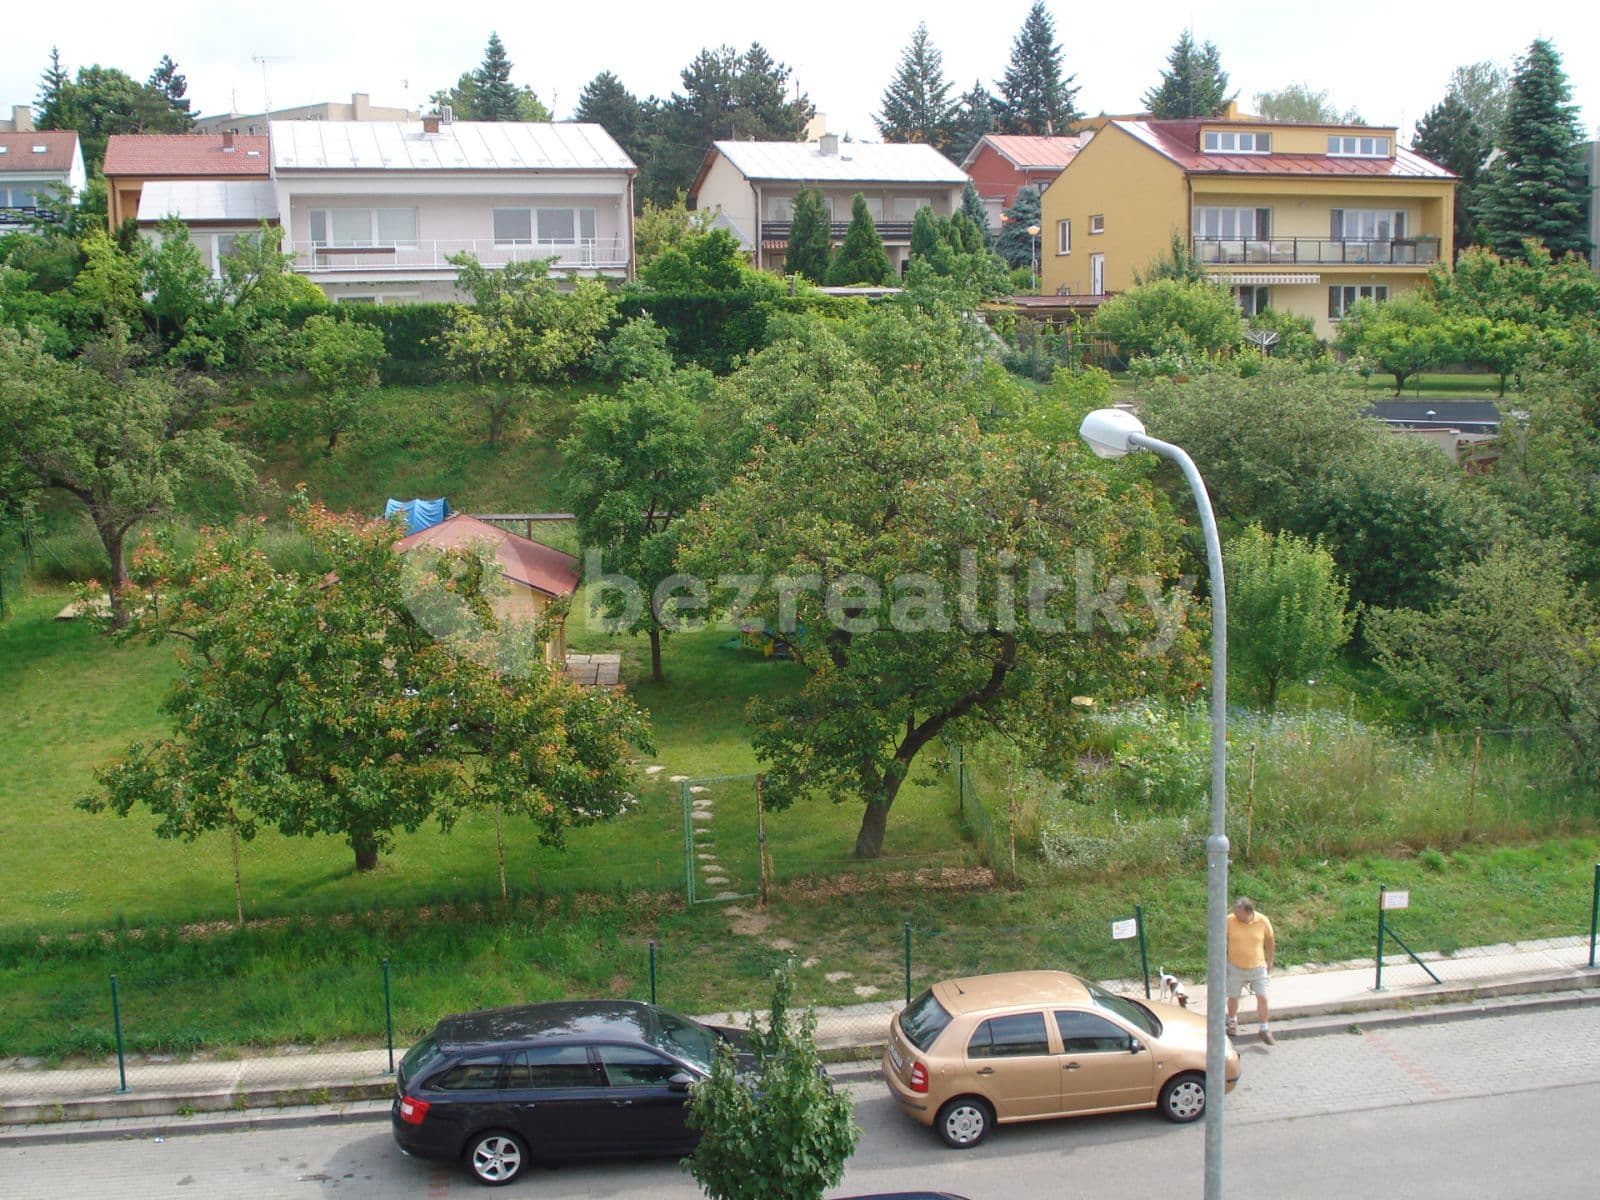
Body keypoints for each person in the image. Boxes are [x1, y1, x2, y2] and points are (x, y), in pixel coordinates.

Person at [1225, 896, 1275, 1044]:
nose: (1235, 914)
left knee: (1262, 996)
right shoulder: (1229, 920)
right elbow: (1220, 938)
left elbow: (1270, 940)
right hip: (1235, 966)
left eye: (1238, 912)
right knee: (1233, 996)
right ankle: (1232, 1021)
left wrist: (1270, 959)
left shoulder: (1262, 921)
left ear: (1248, 912)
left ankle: (1264, 1029)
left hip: (1257, 967)